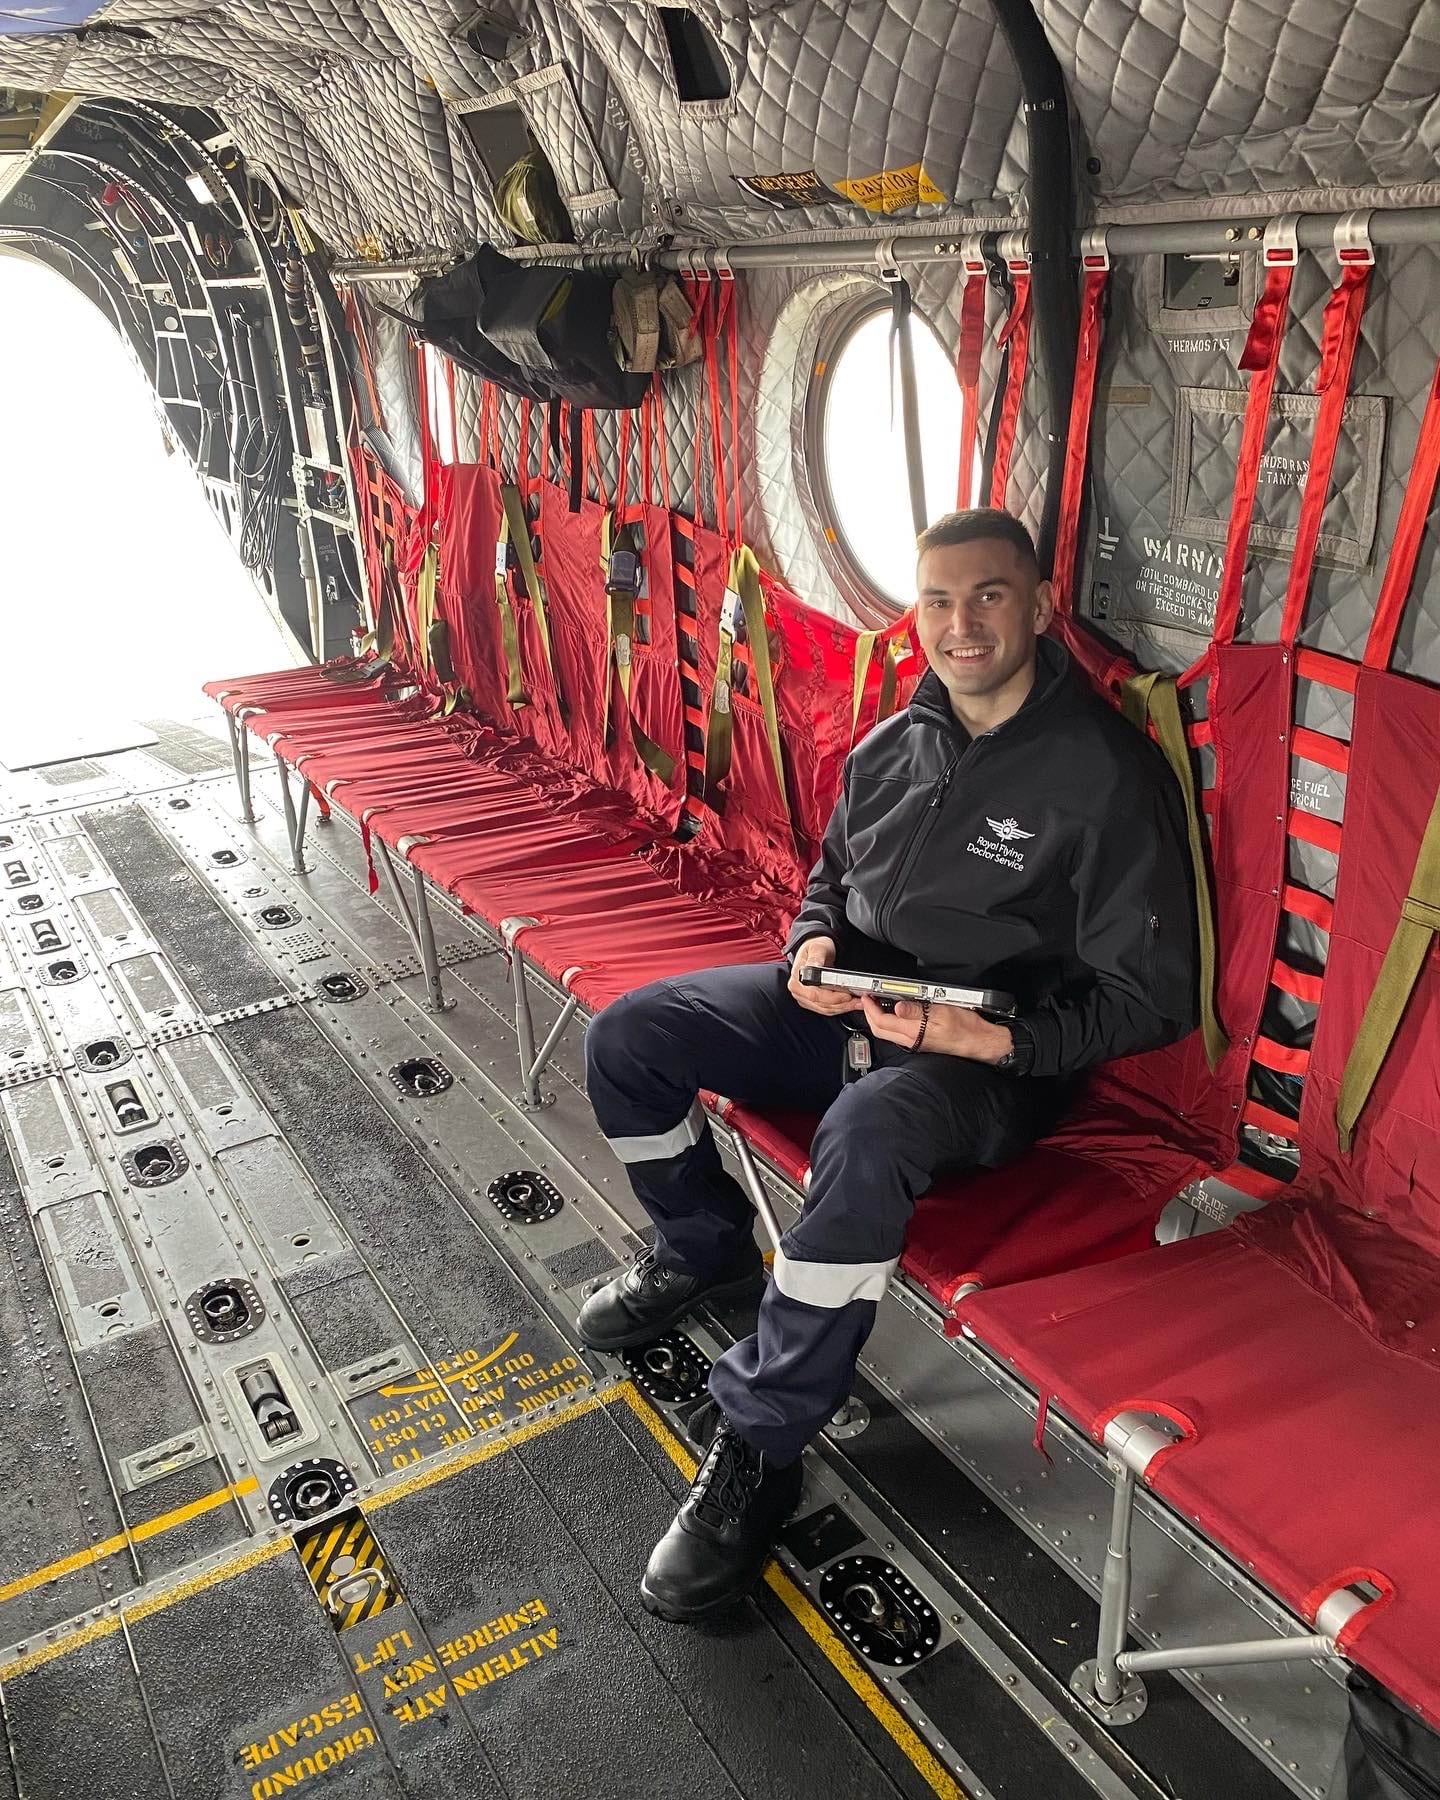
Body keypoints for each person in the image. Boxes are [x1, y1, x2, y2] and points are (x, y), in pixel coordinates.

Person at [578, 508, 1200, 1621]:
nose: (961, 624)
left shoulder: (1105, 775)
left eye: (989, 596)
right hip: (856, 1006)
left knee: (864, 1132)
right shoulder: (892, 739)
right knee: (632, 1035)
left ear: (1041, 606)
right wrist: (812, 945)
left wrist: (1004, 1039)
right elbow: (830, 878)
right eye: (938, 601)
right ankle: (704, 1250)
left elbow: (1152, 1000)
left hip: (986, 1065)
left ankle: (761, 1444)